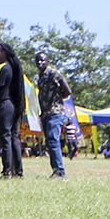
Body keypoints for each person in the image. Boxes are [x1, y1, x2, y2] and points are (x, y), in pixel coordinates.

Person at [0, 41, 26, 179]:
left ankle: (7, 170)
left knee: (5, 138)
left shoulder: (2, 67)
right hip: (13, 105)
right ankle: (18, 171)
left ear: (4, 52)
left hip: (4, 105)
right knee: (14, 137)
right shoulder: (12, 67)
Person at [34, 51, 72, 179]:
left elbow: (67, 91)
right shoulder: (40, 77)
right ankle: (55, 170)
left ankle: (60, 171)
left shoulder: (54, 74)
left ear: (48, 61)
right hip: (45, 114)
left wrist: (56, 100)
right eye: (38, 60)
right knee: (50, 143)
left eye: (43, 60)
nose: (40, 63)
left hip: (55, 113)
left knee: (53, 140)